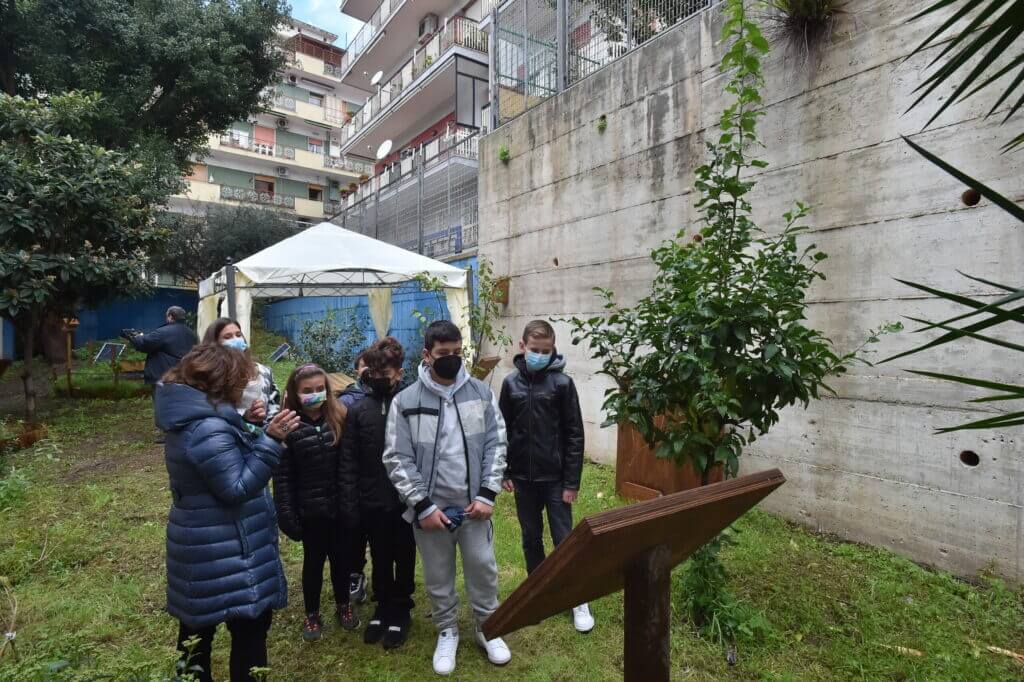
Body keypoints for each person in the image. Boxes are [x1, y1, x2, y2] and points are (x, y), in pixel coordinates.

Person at [155, 343, 300, 682]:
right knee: (248, 634)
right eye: (241, 380)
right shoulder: (207, 428)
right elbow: (236, 487)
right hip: (227, 549)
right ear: (223, 382)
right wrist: (272, 441)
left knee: (195, 634)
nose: (246, 386)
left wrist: (242, 422)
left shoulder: (193, 416)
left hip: (204, 545)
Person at [383, 320, 511, 675]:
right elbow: (397, 457)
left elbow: (495, 443)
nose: (451, 360)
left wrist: (487, 494)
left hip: (474, 509)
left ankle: (489, 627)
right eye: (443, 354)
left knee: (483, 568)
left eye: (457, 353)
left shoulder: (480, 394)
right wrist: (421, 505)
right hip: (431, 512)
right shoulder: (405, 402)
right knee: (438, 576)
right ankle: (447, 630)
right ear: (427, 355)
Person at [498, 320, 592, 633]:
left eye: (546, 351)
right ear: (522, 347)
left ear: (553, 349)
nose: (540, 355)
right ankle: (537, 594)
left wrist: (571, 482)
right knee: (530, 537)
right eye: (534, 350)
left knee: (564, 539)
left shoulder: (562, 385)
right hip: (523, 479)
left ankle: (576, 597)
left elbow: (574, 434)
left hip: (555, 479)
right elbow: (502, 431)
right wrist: (504, 470)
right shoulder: (510, 385)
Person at [272, 363, 361, 641]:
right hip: (310, 512)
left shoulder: (340, 418)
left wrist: (351, 504)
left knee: (341, 561)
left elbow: (350, 467)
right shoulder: (288, 428)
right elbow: (283, 477)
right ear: (295, 394)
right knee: (313, 564)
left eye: (319, 389)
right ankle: (312, 613)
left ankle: (343, 605)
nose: (314, 394)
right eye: (307, 391)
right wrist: (287, 515)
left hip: (339, 508)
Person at [341, 337, 416, 650]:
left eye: (384, 372)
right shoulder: (358, 410)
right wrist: (350, 500)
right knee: (381, 554)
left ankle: (402, 607)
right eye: (371, 372)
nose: (377, 377)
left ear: (399, 372)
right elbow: (348, 459)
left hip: (407, 499)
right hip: (371, 499)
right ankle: (382, 604)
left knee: (405, 553)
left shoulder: (412, 403)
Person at [203, 318, 280, 428]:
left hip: (263, 436)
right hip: (229, 434)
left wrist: (272, 428)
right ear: (215, 343)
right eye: (227, 337)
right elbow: (209, 410)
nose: (236, 340)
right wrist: (245, 415)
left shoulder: (264, 371)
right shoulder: (210, 375)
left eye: (238, 335)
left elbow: (275, 407)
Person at [340, 350, 370, 605]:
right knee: (354, 534)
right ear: (357, 371)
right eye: (364, 366)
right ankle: (355, 574)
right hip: (356, 479)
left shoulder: (394, 397)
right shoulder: (348, 400)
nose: (370, 370)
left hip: (382, 479)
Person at [126, 306, 198, 387]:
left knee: (163, 399)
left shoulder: (163, 332)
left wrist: (136, 337)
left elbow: (144, 343)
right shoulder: (192, 334)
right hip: (184, 378)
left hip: (165, 378)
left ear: (170, 317)